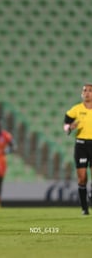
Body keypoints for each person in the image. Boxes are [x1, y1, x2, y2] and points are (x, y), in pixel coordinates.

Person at [64, 82, 92, 215]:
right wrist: (69, 128)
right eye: (85, 90)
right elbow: (66, 123)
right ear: (82, 94)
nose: (87, 93)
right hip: (81, 145)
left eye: (90, 91)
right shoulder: (76, 109)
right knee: (82, 178)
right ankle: (84, 208)